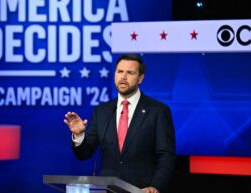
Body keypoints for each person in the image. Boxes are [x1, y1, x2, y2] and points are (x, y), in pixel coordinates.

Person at [64, 54, 176, 193]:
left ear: (140, 78)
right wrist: (79, 135)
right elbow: (84, 154)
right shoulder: (102, 111)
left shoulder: (158, 111)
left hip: (142, 190)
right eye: (120, 71)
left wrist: (155, 186)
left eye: (130, 73)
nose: (123, 77)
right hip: (107, 190)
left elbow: (166, 156)